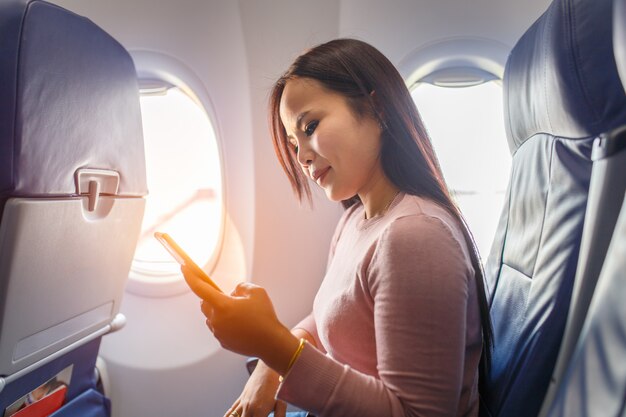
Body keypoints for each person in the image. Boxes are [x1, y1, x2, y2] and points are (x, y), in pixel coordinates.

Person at [182, 38, 493, 417]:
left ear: (377, 108)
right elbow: (336, 315)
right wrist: (270, 363)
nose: (302, 157)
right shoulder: (355, 222)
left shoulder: (415, 237)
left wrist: (272, 345)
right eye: (293, 143)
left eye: (310, 126)